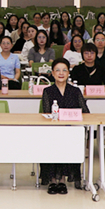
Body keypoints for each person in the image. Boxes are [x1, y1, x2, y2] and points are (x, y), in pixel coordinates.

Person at [38, 58, 88, 195]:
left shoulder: (75, 91)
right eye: (58, 70)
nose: (61, 73)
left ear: (68, 73)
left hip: (71, 130)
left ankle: (63, 180)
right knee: (53, 140)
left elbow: (85, 112)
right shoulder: (48, 91)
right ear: (52, 73)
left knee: (68, 140)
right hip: (53, 130)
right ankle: (53, 180)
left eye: (64, 70)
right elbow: (47, 112)